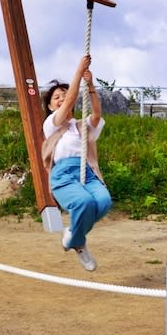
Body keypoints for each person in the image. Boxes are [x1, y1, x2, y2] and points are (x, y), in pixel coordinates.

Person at [42, 54, 112, 271]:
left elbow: (97, 114)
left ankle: (74, 236)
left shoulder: (80, 126)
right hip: (63, 174)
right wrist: (78, 71)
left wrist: (90, 84)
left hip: (86, 173)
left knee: (103, 202)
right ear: (51, 106)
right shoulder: (52, 124)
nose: (62, 98)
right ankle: (80, 244)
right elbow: (71, 101)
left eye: (64, 94)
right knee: (84, 203)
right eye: (56, 97)